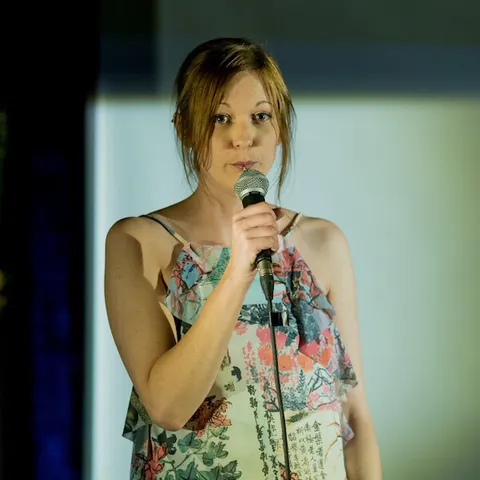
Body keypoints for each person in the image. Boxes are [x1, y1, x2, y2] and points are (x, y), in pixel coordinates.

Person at [104, 37, 382, 480]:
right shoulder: (139, 242)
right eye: (220, 118)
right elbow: (168, 407)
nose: (242, 138)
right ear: (184, 127)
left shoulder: (324, 242)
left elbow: (356, 419)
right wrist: (237, 271)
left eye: (260, 117)